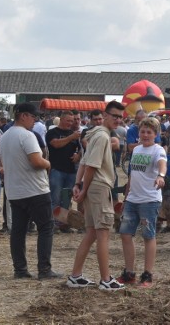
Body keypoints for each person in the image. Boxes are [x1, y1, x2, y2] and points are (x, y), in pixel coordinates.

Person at [67, 100, 126, 291]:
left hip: (93, 186)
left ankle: (75, 276)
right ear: (106, 115)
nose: (117, 120)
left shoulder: (95, 134)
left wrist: (79, 184)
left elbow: (83, 163)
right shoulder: (102, 136)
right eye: (114, 116)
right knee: (103, 233)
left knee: (92, 232)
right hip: (99, 187)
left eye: (120, 117)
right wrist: (82, 188)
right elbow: (90, 165)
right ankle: (106, 279)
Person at [0, 102, 61, 280]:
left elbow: (0, 164)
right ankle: (44, 269)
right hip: (35, 190)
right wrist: (48, 163)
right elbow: (36, 161)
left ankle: (20, 269)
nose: (35, 121)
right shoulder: (27, 136)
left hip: (14, 191)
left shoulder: (4, 136)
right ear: (24, 116)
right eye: (34, 117)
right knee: (46, 227)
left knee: (18, 231)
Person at [117, 117, 167, 288]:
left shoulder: (157, 150)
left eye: (149, 132)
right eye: (143, 131)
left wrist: (161, 176)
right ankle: (129, 272)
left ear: (155, 134)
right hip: (132, 199)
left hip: (149, 200)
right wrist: (126, 195)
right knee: (125, 234)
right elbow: (132, 174)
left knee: (148, 235)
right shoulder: (137, 150)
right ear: (138, 133)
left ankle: (147, 275)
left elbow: (162, 165)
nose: (145, 135)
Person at [46, 110, 82, 232]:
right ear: (61, 119)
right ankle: (52, 224)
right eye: (68, 120)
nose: (70, 123)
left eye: (72, 121)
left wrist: (78, 155)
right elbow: (56, 144)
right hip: (57, 170)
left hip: (71, 171)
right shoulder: (52, 132)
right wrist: (71, 137)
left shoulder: (74, 133)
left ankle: (63, 224)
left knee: (66, 200)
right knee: (54, 198)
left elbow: (81, 149)